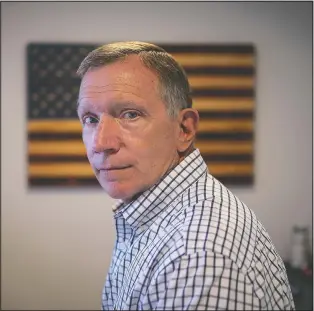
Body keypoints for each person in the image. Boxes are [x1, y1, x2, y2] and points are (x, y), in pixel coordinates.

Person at [76, 41, 295, 310]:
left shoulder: (197, 254)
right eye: (90, 119)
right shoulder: (156, 217)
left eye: (130, 114)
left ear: (184, 130)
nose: (101, 143)